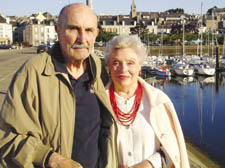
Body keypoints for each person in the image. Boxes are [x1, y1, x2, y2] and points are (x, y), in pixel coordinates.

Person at [0, 3, 118, 168]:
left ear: (96, 34)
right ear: (58, 30)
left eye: (89, 30)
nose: (82, 38)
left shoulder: (98, 69)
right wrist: (50, 158)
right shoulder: (33, 73)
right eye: (73, 29)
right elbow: (6, 137)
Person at [104, 35, 190, 168]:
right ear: (109, 67)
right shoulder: (99, 103)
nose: (123, 69)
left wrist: (149, 164)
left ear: (139, 68)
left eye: (130, 63)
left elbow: (172, 149)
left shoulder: (159, 102)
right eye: (116, 62)